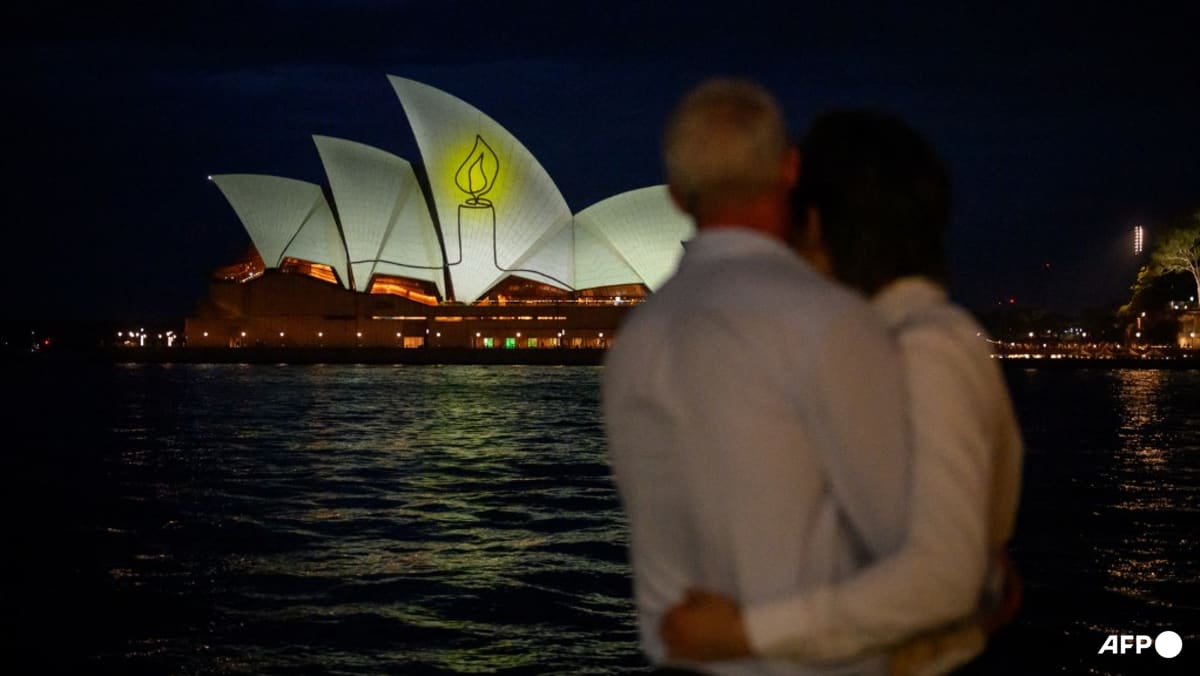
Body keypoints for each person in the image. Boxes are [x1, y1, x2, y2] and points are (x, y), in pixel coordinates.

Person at [659, 110, 1024, 675]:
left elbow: (943, 577)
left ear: (817, 225)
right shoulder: (899, 340)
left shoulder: (920, 349)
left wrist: (742, 633)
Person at [603, 80, 912, 675]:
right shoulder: (829, 319)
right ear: (790, 168)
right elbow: (910, 550)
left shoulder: (635, 339)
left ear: (675, 195)